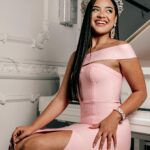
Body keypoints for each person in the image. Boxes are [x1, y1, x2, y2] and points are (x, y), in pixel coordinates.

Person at [9, 0, 147, 150]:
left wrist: (115, 116)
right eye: (96, 9)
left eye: (108, 11)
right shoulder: (76, 56)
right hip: (85, 127)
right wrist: (32, 127)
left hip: (109, 128)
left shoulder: (122, 48)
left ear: (115, 19)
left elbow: (140, 92)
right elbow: (62, 99)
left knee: (33, 145)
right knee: (19, 144)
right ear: (88, 15)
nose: (102, 15)